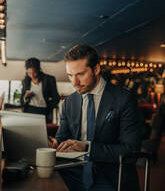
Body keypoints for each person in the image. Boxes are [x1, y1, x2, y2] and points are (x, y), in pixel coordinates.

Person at [49, 45, 142, 191]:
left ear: (96, 69)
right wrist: (54, 144)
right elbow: (62, 138)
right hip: (72, 173)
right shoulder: (69, 102)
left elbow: (130, 151)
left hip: (109, 177)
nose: (74, 83)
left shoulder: (124, 99)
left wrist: (87, 147)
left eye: (80, 74)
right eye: (70, 75)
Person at [20, 57, 60, 122]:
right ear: (26, 71)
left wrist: (49, 108)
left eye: (34, 72)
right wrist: (25, 97)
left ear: (39, 70)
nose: (32, 75)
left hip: (44, 111)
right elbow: (21, 100)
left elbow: (56, 98)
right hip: (29, 110)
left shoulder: (49, 80)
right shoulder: (25, 81)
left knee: (42, 131)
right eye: (29, 73)